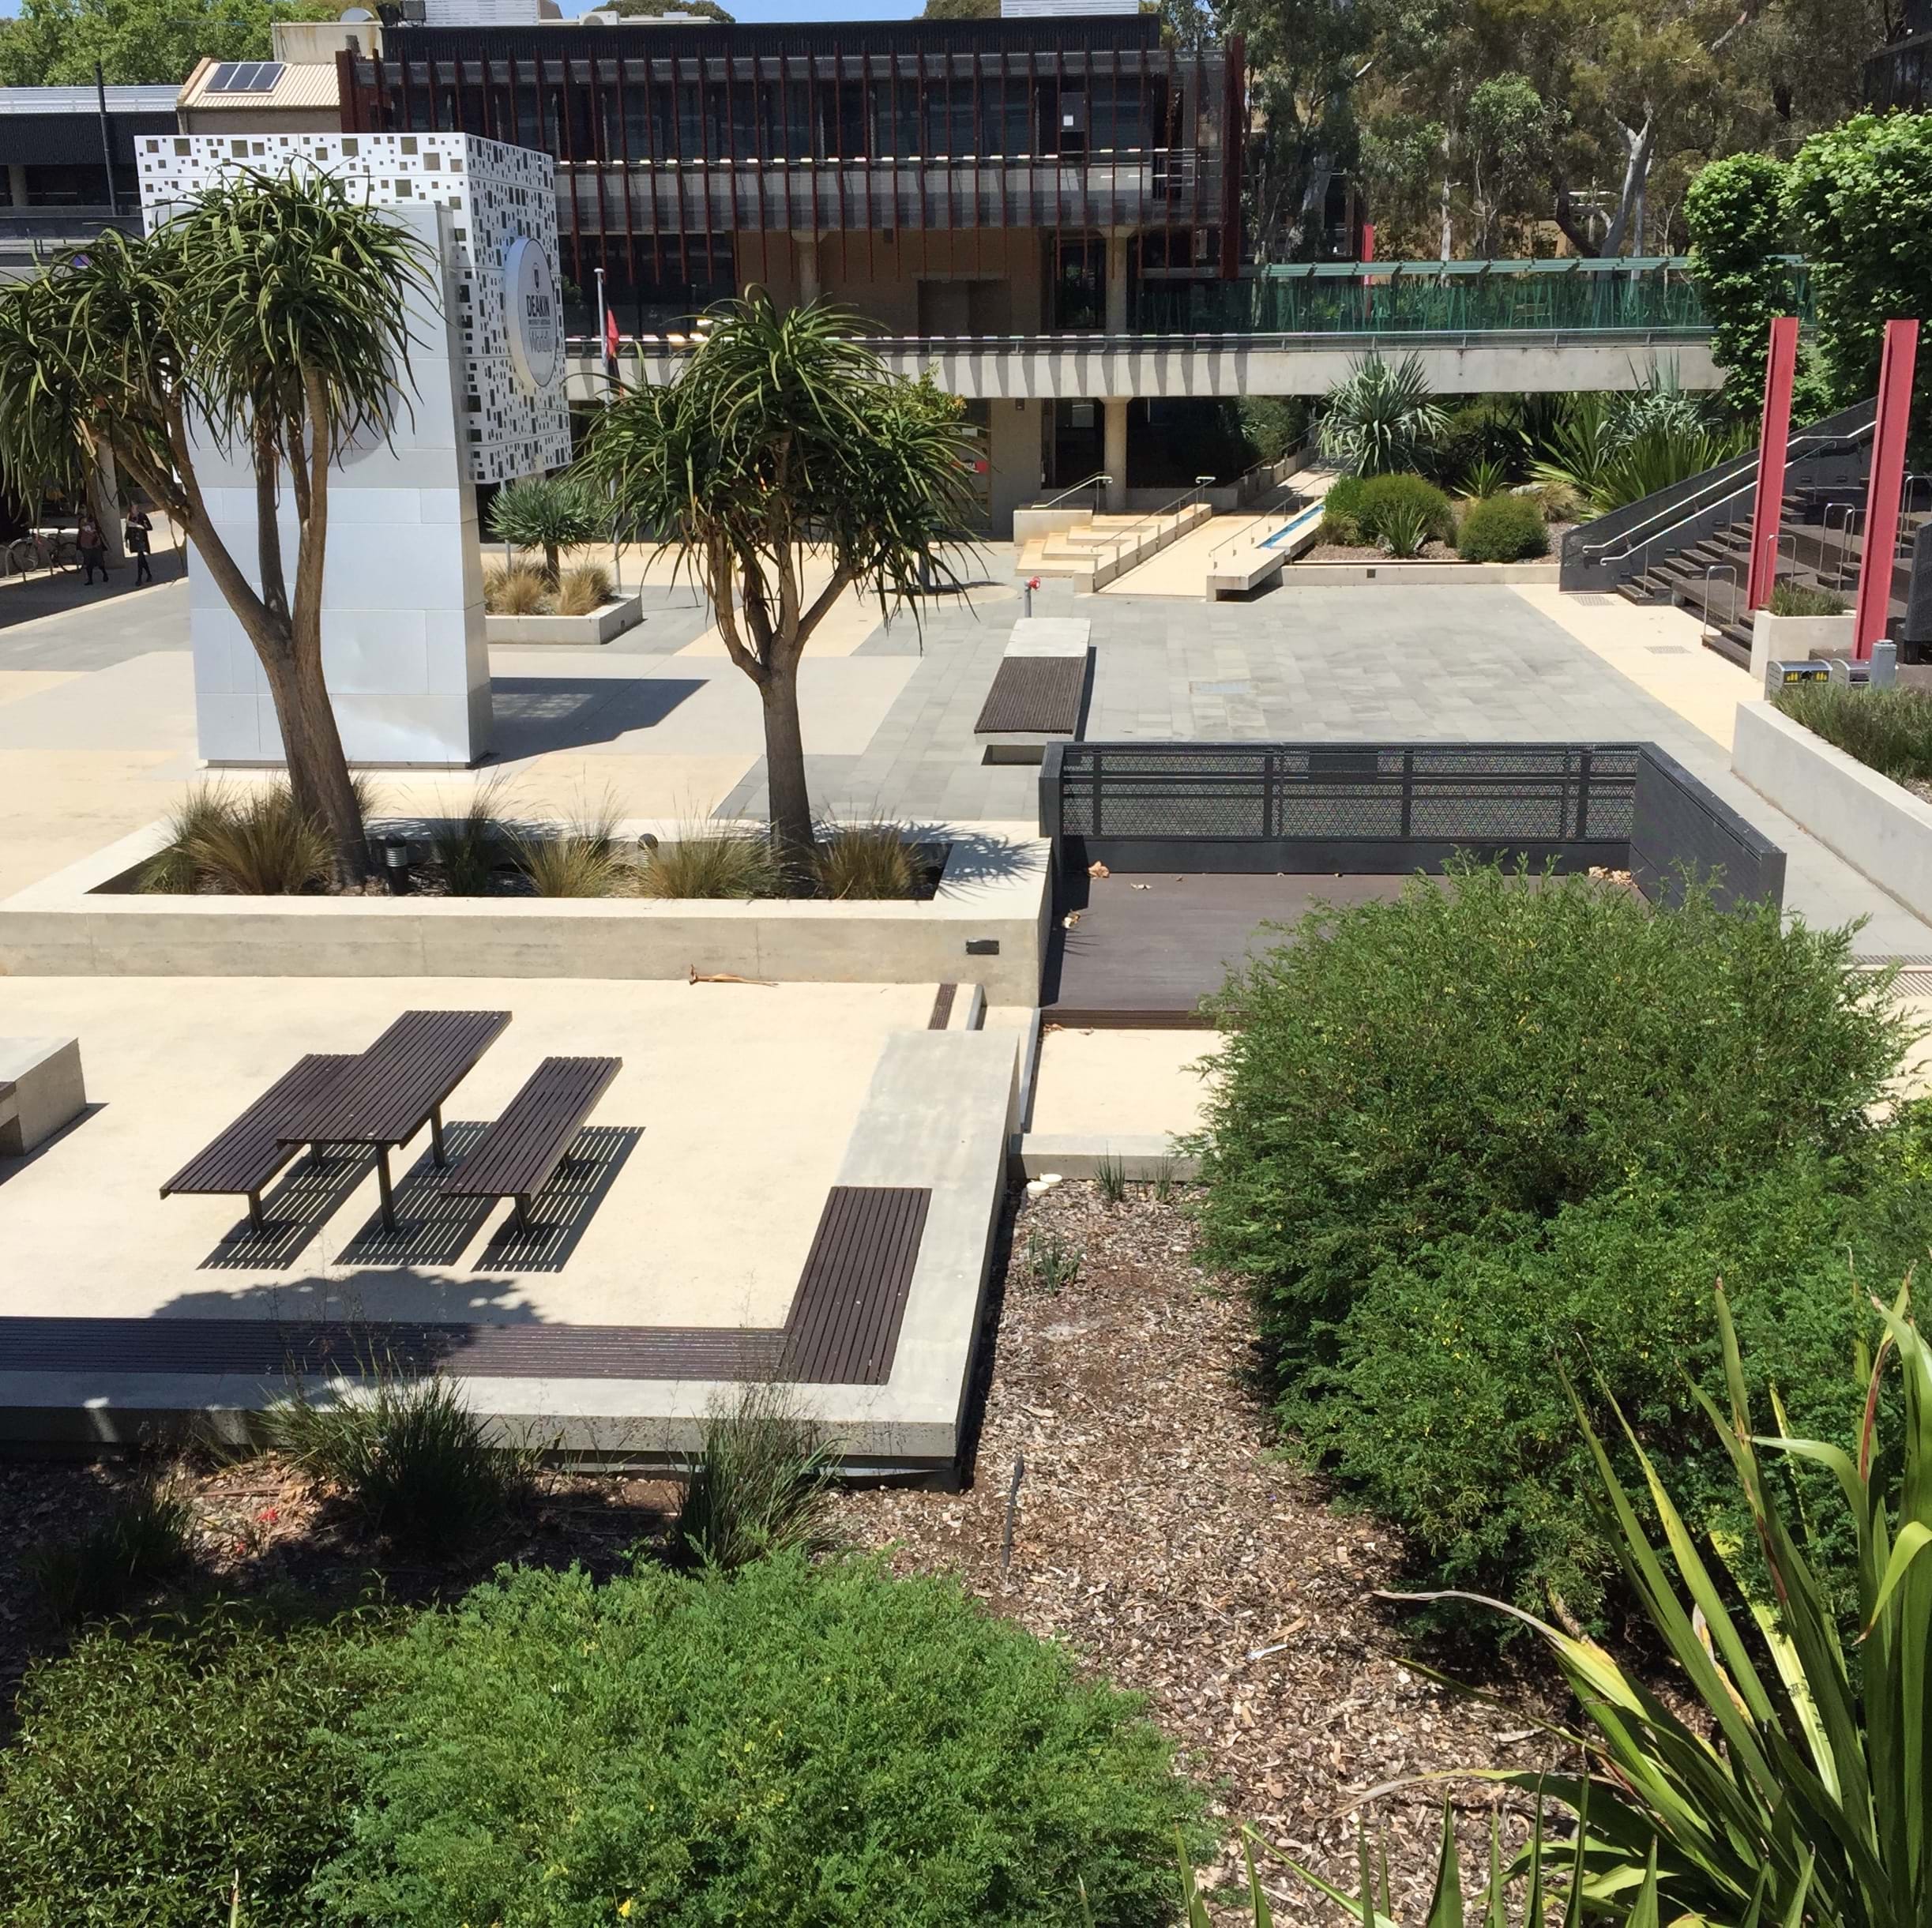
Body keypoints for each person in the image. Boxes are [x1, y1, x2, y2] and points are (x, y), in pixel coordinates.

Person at [76, 512, 107, 585]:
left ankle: (104, 574)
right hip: (85, 543)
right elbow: (81, 530)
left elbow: (98, 529)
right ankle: (90, 580)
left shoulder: (93, 520)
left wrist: (94, 531)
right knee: (88, 562)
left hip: (95, 543)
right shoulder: (81, 520)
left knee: (99, 561)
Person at [126, 504, 153, 585]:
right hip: (134, 540)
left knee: (140, 558)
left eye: (134, 507)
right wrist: (126, 539)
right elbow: (128, 529)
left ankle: (139, 578)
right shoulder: (129, 516)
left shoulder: (142, 516)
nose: (133, 509)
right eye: (132, 508)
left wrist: (142, 526)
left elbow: (150, 527)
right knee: (142, 559)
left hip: (142, 540)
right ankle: (149, 574)